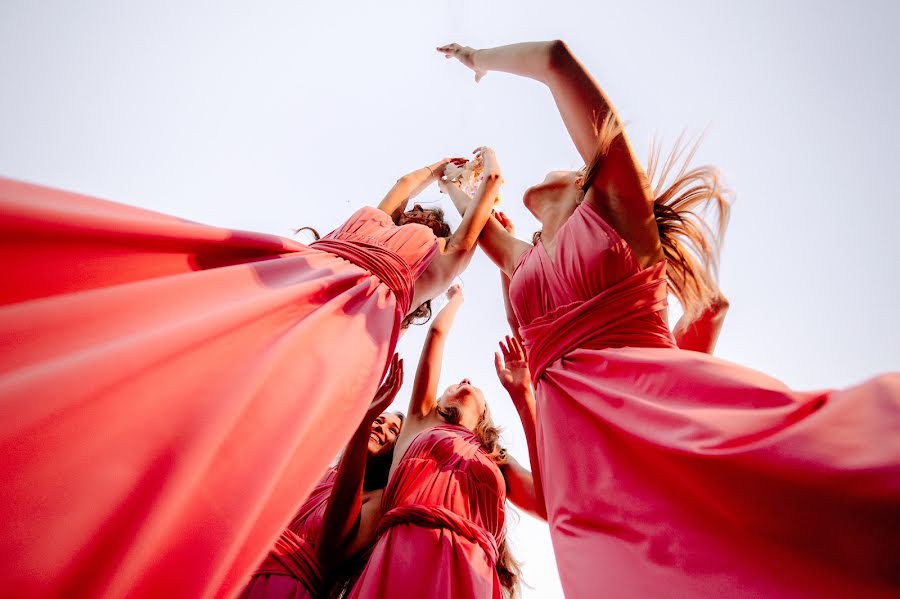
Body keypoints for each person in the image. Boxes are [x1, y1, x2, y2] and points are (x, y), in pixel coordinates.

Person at [439, 40, 900, 598]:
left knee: (791, 503)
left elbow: (555, 59)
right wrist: (454, 183)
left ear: (581, 178)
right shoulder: (523, 260)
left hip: (655, 407)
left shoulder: (617, 206)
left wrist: (477, 59)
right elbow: (476, 216)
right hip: (586, 481)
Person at [0, 151, 502, 598]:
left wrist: (462, 172)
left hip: (328, 304)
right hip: (307, 283)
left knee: (235, 400)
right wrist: (459, 175)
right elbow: (427, 200)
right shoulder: (410, 250)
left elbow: (435, 215)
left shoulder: (418, 263)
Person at [348, 284, 543, 598]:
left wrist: (523, 398)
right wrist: (456, 299)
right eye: (454, 383)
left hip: (471, 567)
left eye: (473, 385)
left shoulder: (496, 458)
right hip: (405, 549)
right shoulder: (422, 421)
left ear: (485, 415)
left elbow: (549, 504)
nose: (465, 380)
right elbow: (436, 335)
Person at [240, 355, 404, 599]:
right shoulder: (318, 471)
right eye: (379, 419)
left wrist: (366, 421)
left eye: (393, 430)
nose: (381, 426)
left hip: (286, 590)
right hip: (239, 567)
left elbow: (334, 551)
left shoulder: (377, 499)